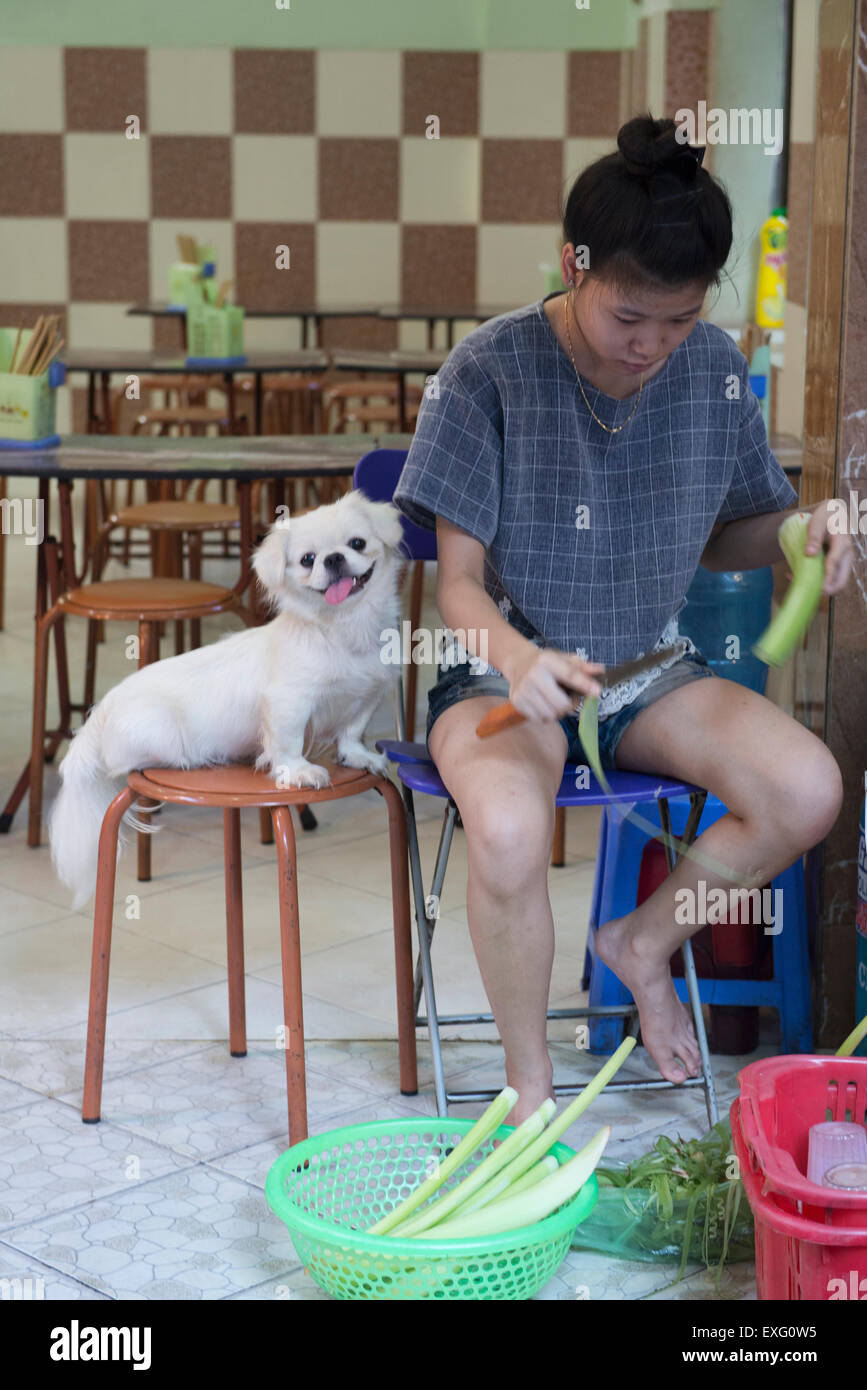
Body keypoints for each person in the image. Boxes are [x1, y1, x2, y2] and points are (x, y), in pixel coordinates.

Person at [392, 114, 853, 1125]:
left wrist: (800, 533)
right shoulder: (488, 372)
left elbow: (738, 529)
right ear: (575, 264)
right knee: (509, 832)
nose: (652, 346)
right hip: (499, 680)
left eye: (681, 320)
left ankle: (640, 942)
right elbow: (458, 584)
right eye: (629, 316)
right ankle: (531, 1095)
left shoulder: (712, 369)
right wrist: (517, 661)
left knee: (807, 786)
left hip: (649, 668)